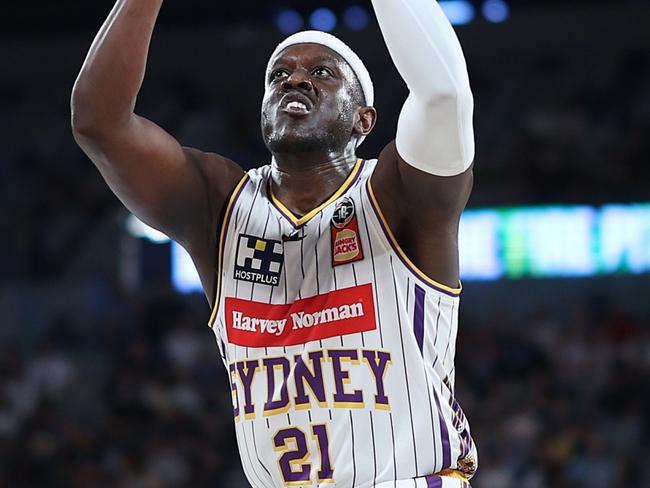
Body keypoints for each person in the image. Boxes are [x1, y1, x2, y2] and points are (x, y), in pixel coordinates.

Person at [71, 0, 477, 486]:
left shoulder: (400, 194)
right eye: (278, 74)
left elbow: (444, 96)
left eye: (322, 72)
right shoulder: (218, 203)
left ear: (363, 121)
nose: (295, 80)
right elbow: (99, 123)